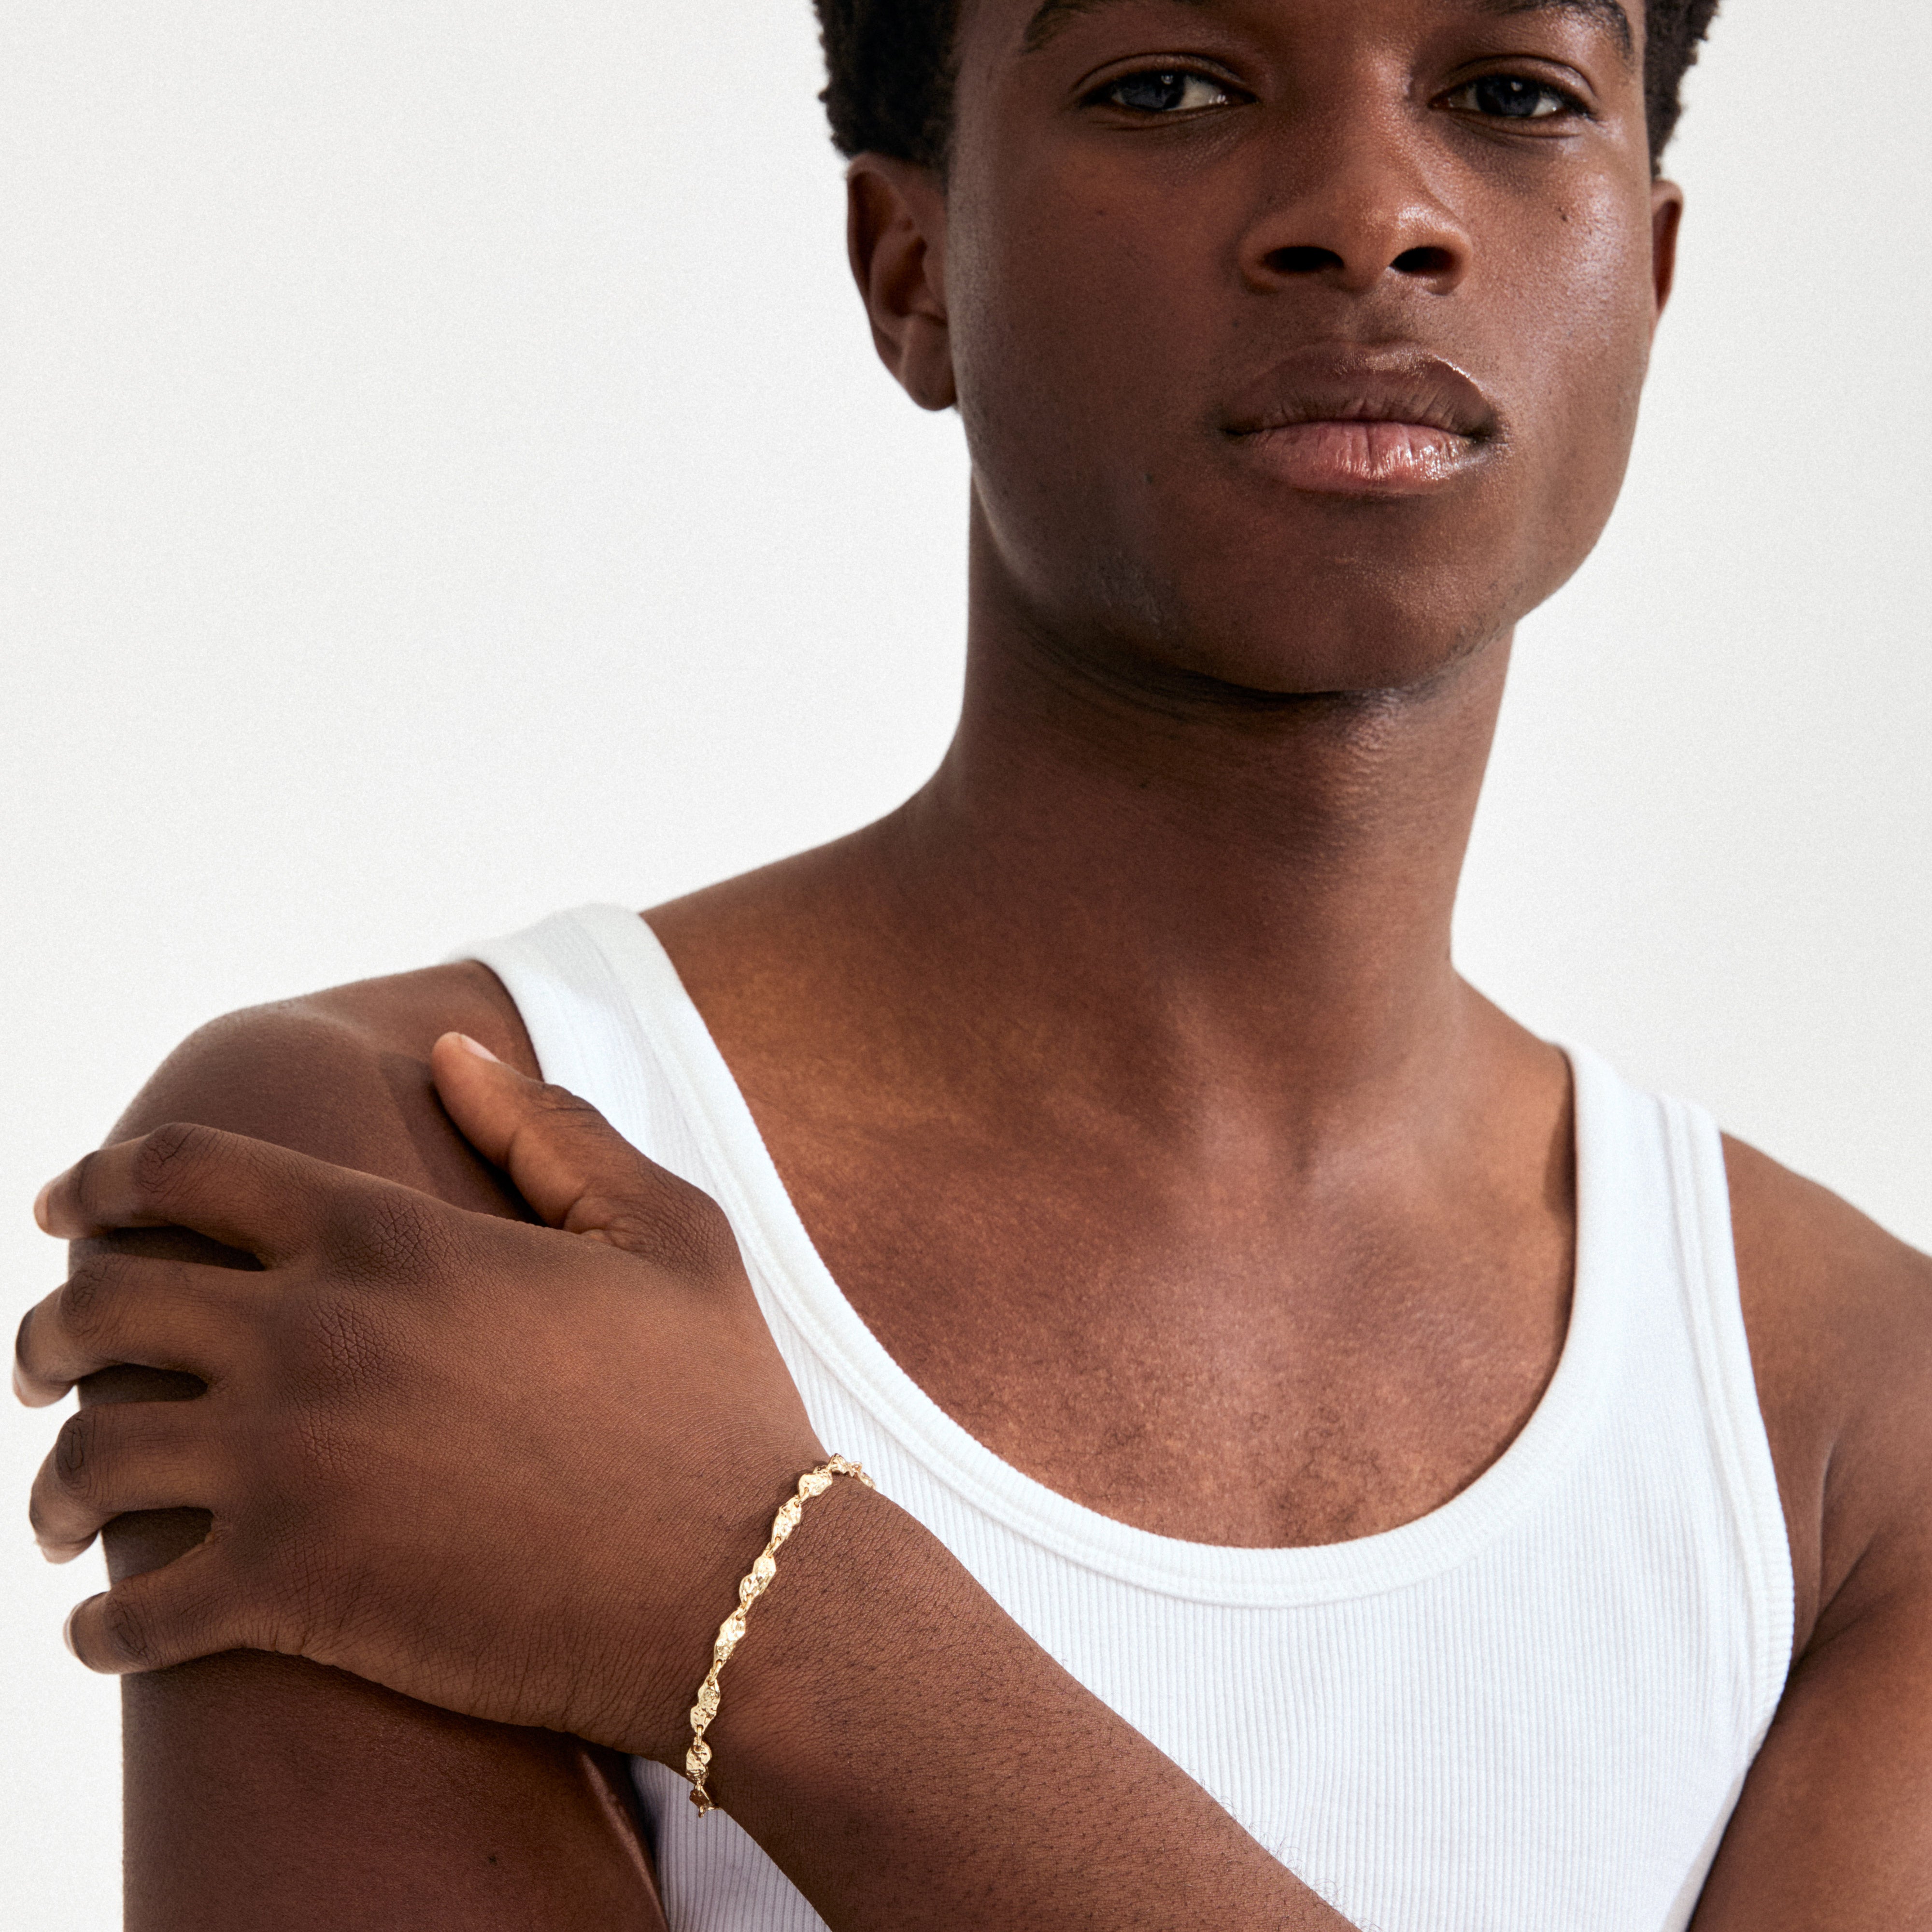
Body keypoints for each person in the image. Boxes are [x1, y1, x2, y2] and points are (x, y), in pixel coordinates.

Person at [16, 0, 1932, 1925]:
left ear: (1649, 277)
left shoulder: (1865, 1423)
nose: (1371, 215)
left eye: (1513, 95)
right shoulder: (412, 1183)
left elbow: (774, 1615)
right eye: (1165, 84)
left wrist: (766, 1603)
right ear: (913, 268)